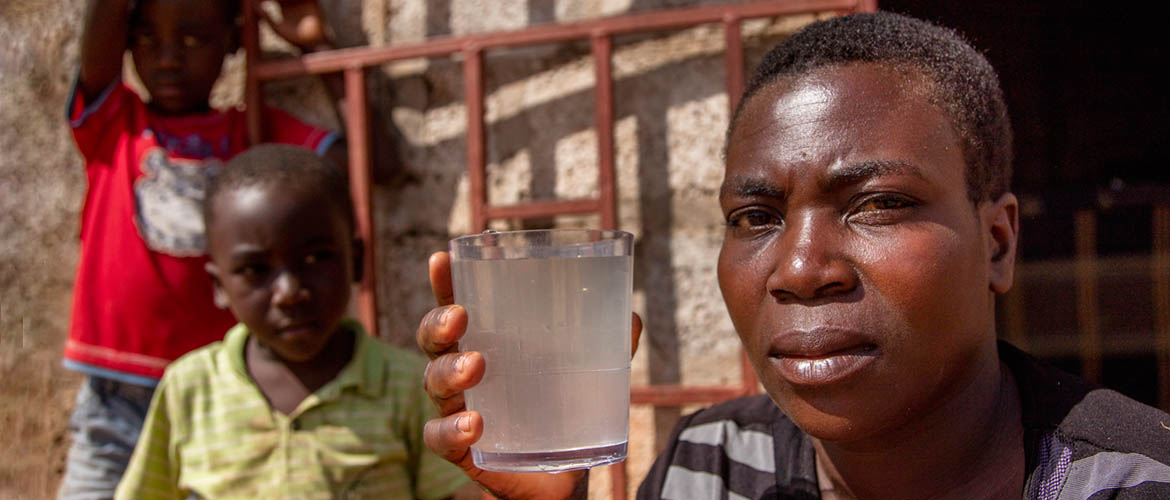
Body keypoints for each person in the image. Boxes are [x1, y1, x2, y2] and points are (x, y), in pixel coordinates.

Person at [413, 11, 1170, 500]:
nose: (803, 269)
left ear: (997, 244)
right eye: (756, 216)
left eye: (878, 204)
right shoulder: (708, 465)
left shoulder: (1132, 482)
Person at [59, 0, 346, 497]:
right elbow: (100, 42)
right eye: (149, 38)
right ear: (127, 42)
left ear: (232, 41)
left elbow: (369, 164)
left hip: (219, 399)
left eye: (193, 39)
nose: (169, 57)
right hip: (115, 400)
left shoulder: (254, 133)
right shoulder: (116, 125)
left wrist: (314, 46)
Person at [113, 145, 473, 499]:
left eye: (316, 258)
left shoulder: (406, 385)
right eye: (256, 270)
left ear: (357, 260)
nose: (289, 292)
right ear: (220, 286)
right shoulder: (188, 389)